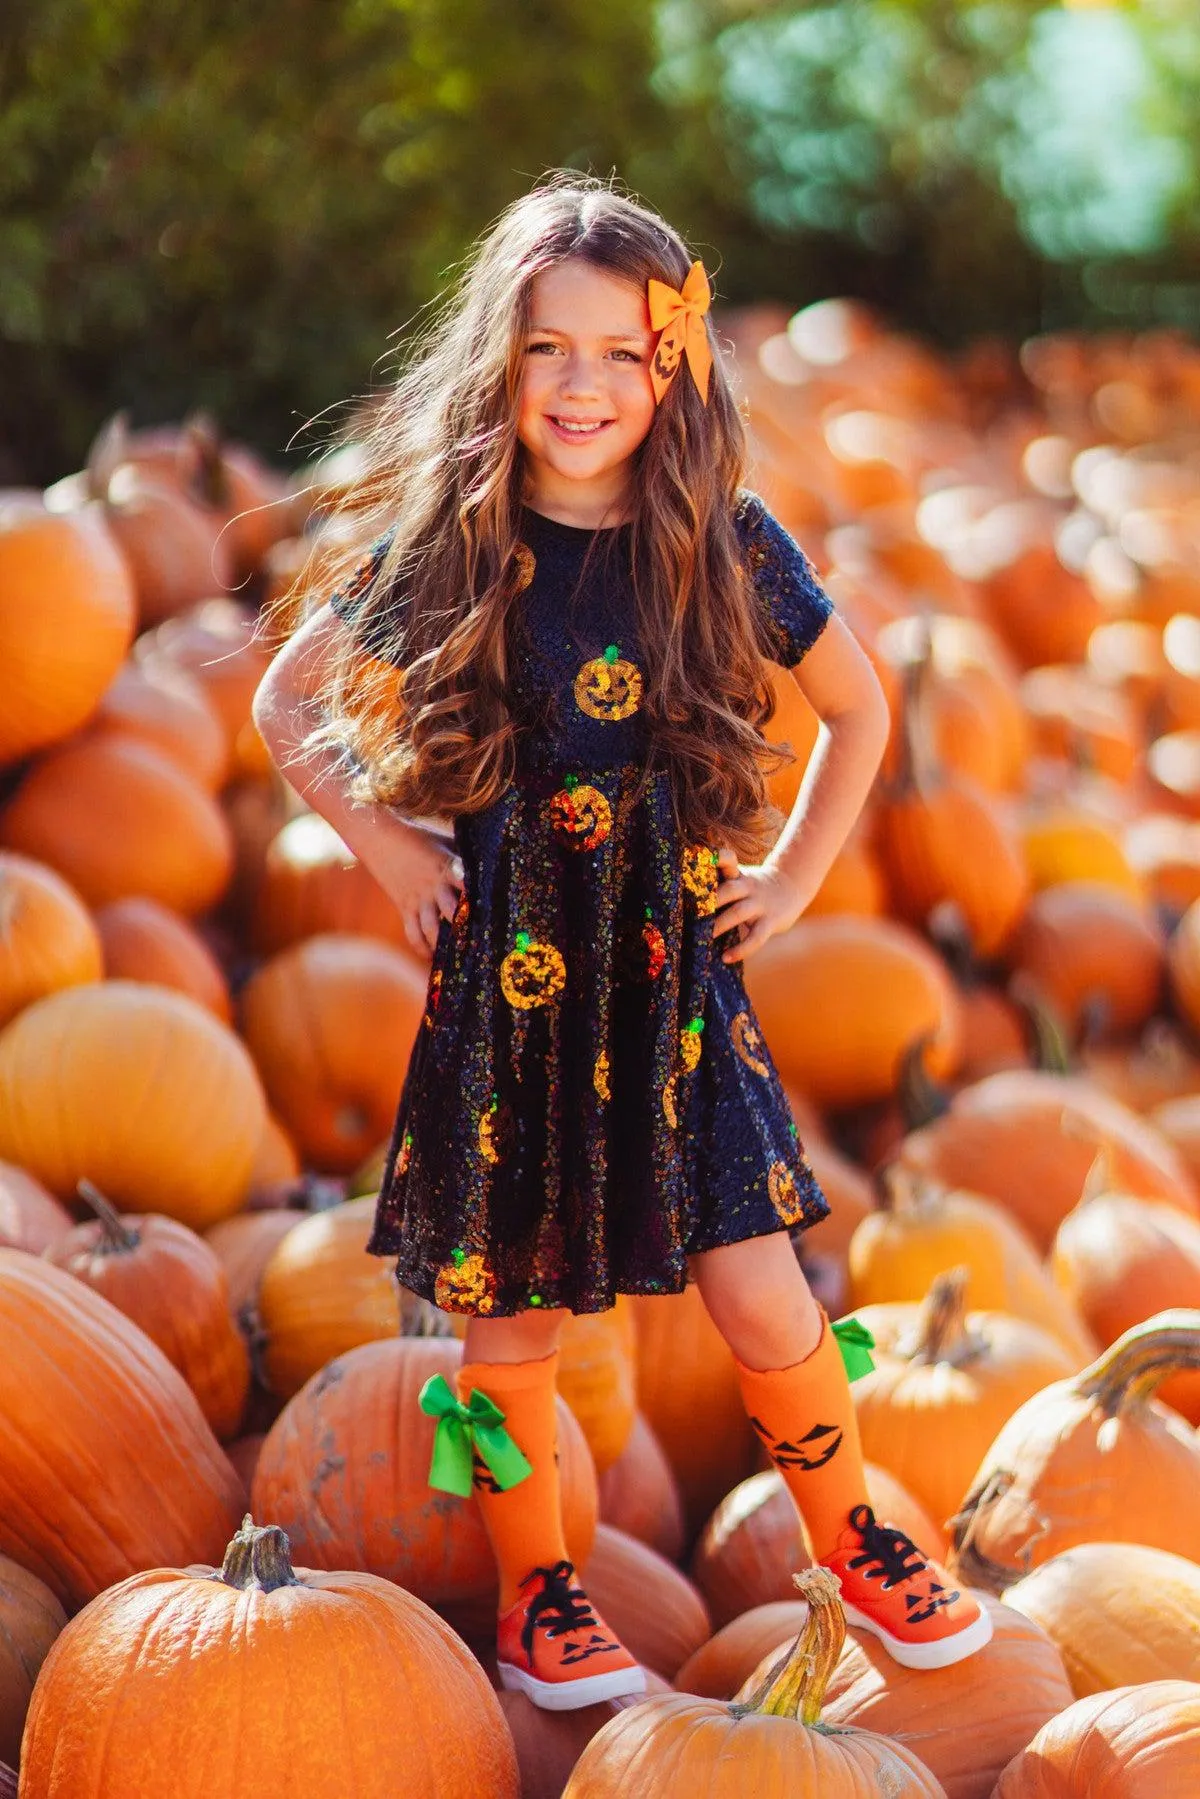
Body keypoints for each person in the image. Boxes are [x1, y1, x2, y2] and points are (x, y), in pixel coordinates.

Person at [252, 171, 993, 1713]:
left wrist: (791, 877)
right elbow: (284, 702)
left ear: (673, 367)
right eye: (547, 351)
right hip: (516, 979)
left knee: (766, 1288)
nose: (584, 386)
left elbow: (862, 705)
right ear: (500, 366)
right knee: (506, 1324)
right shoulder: (454, 541)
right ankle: (540, 1594)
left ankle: (851, 1531)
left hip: (670, 978)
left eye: (620, 353)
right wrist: (386, 845)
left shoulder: (714, 533)